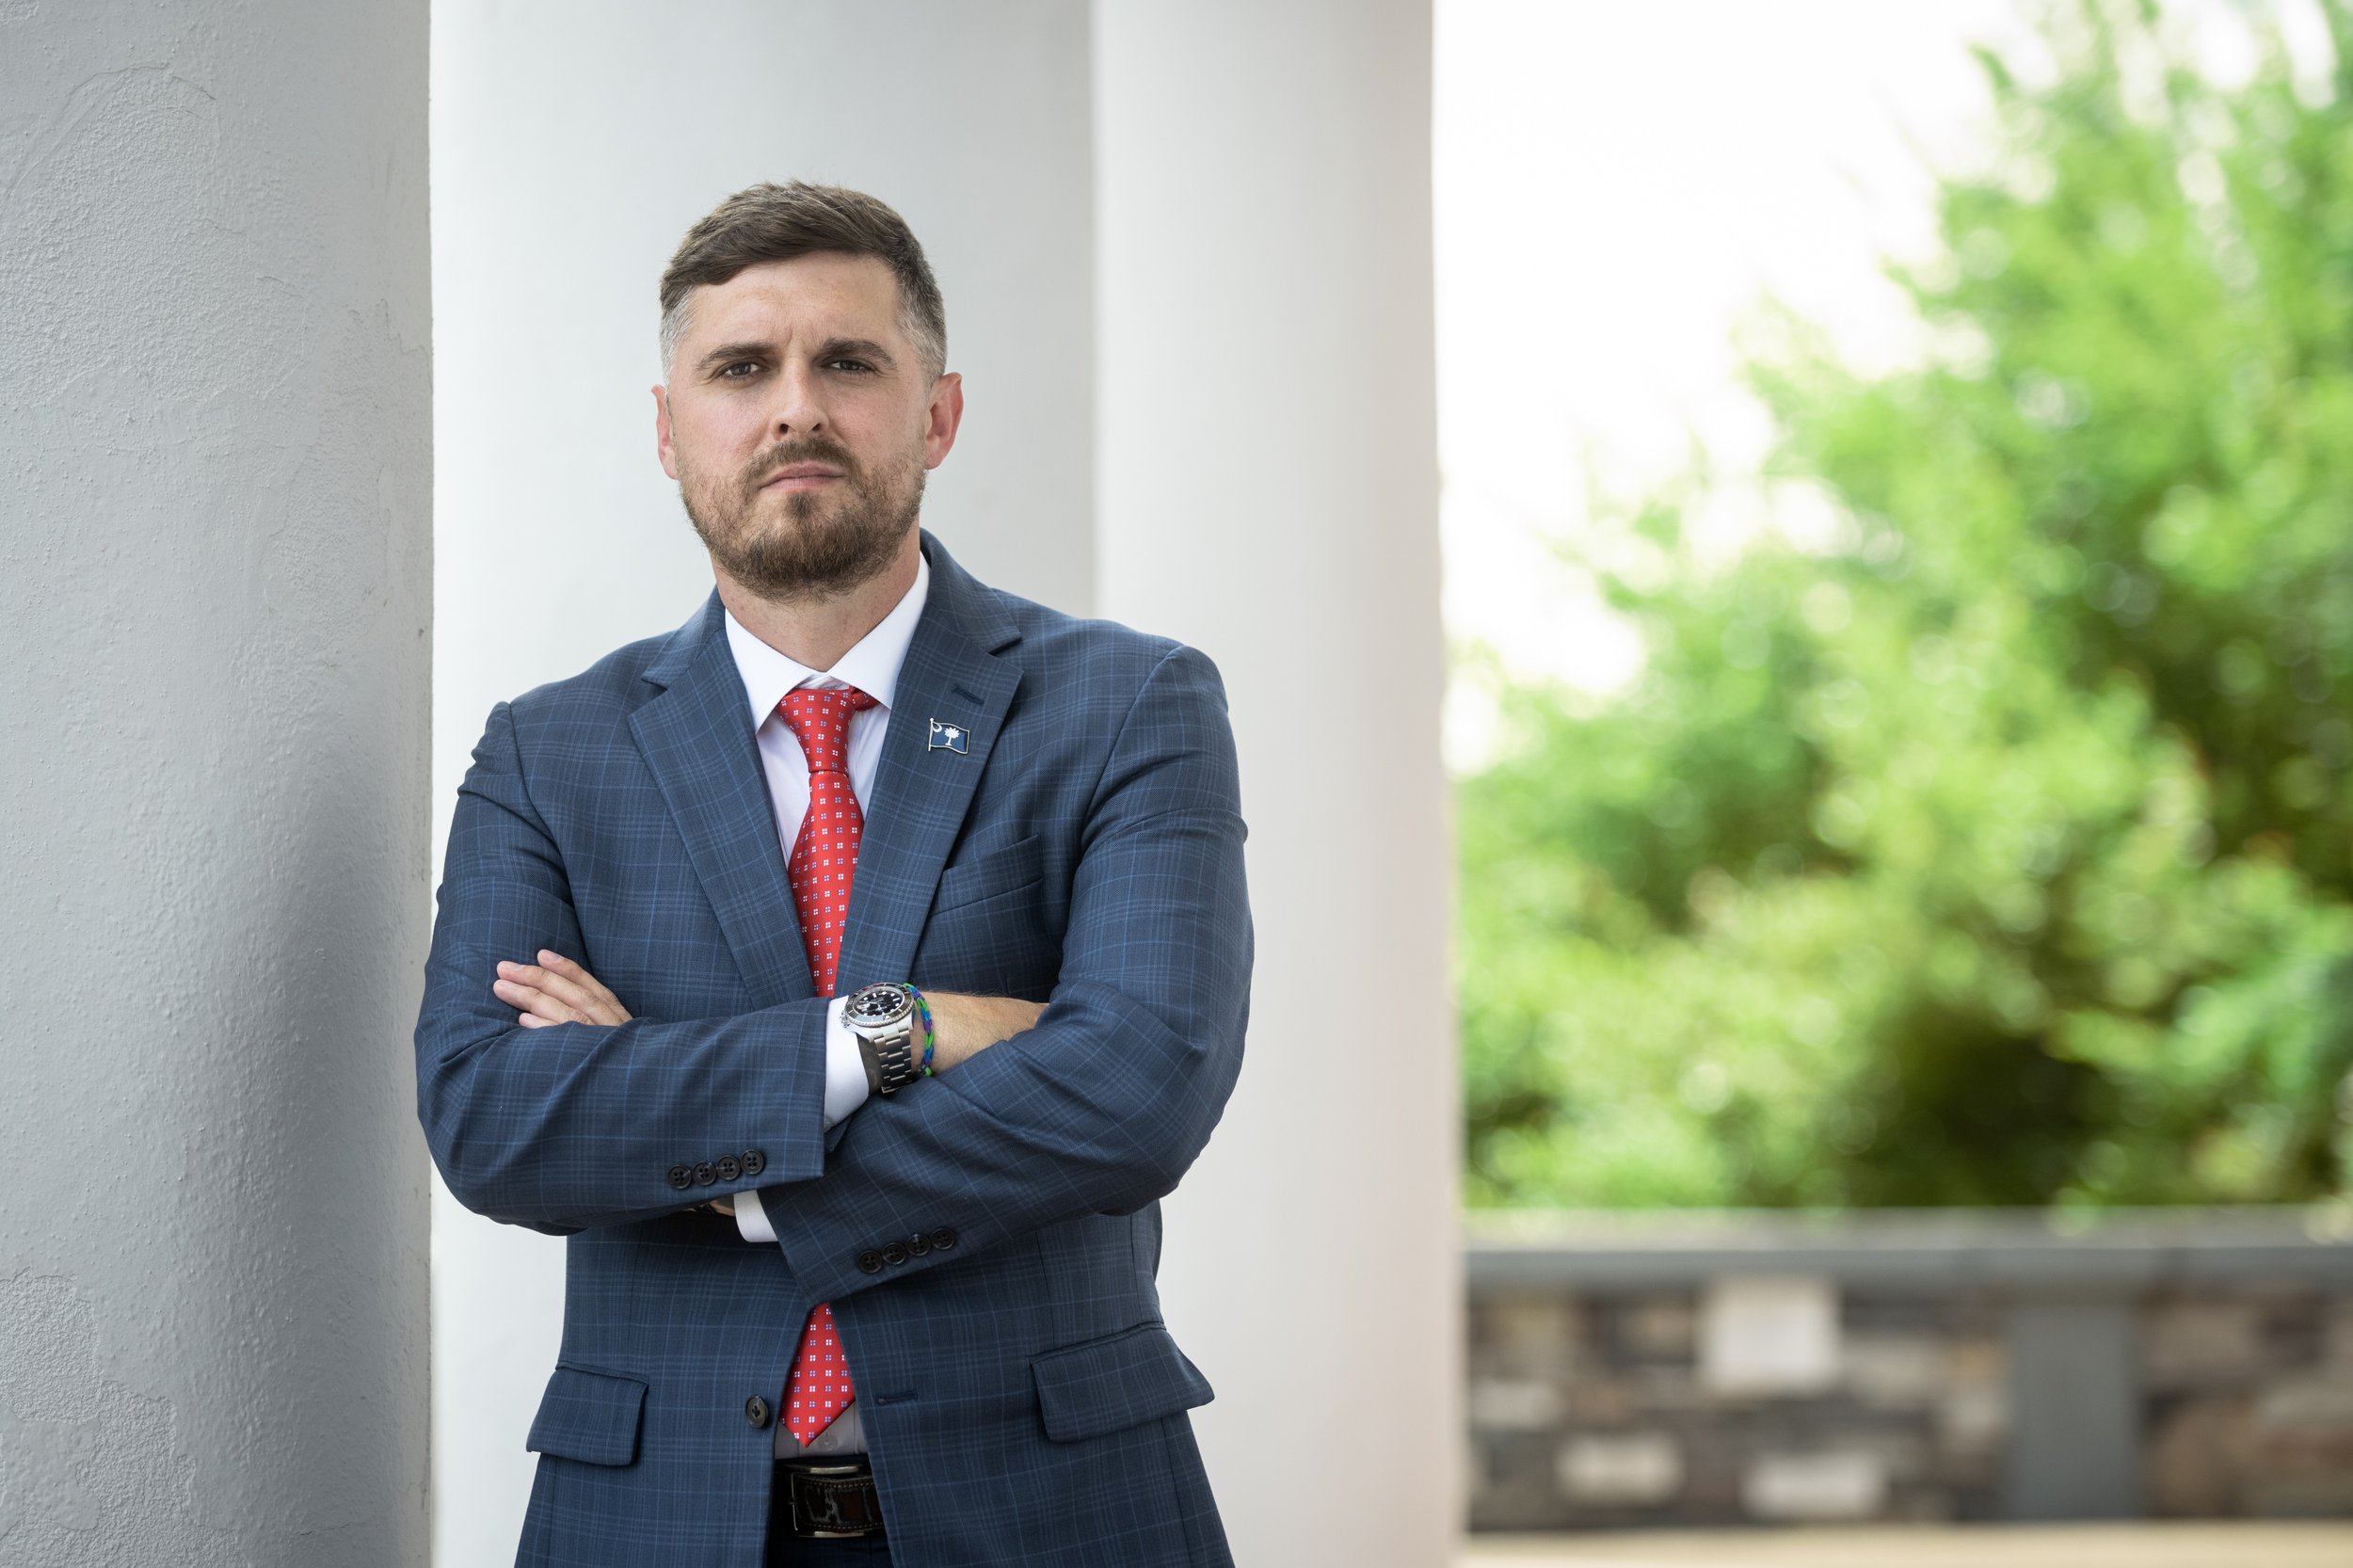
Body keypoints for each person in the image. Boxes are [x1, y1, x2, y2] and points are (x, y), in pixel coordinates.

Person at [414, 181, 1251, 1568]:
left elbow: (1137, 1088)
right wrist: (897, 1031)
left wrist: (719, 1152)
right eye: (741, 368)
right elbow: (493, 1114)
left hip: (1057, 1510)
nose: (795, 405)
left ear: (938, 412)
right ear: (670, 432)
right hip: (652, 1516)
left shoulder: (1126, 705)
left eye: (847, 361)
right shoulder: (548, 751)